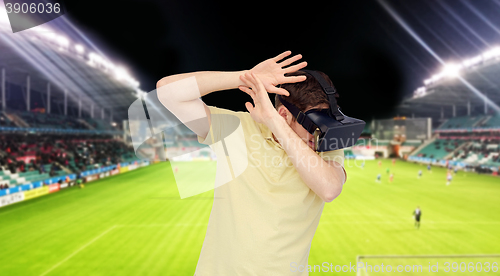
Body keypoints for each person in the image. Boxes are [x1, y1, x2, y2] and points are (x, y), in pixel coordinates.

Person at [157, 51, 347, 275]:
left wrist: (276, 124)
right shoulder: (236, 128)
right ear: (285, 114)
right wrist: (246, 77)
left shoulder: (325, 143)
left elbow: (330, 189)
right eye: (312, 124)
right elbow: (167, 92)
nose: (317, 134)